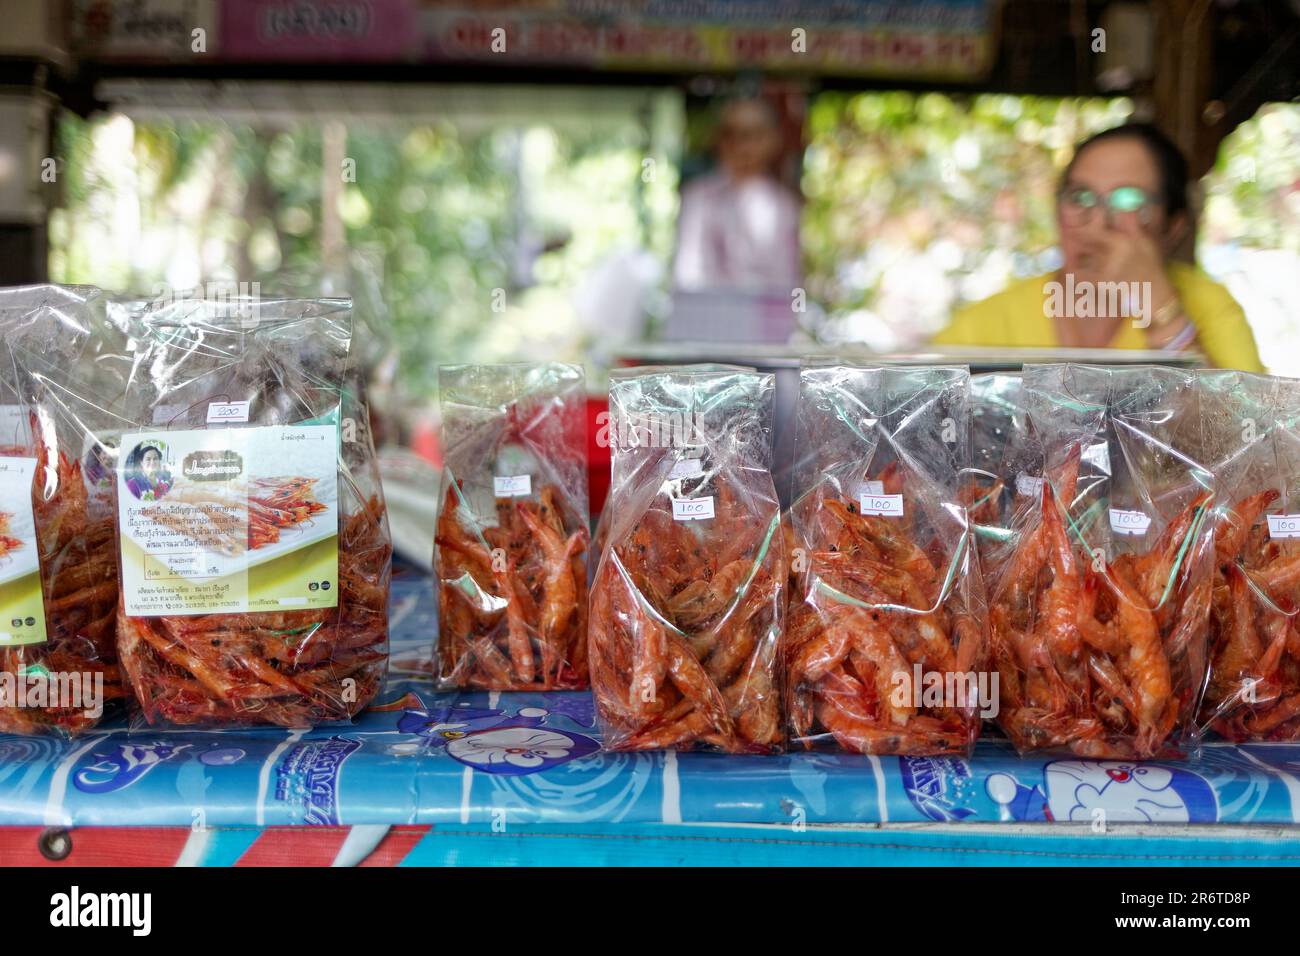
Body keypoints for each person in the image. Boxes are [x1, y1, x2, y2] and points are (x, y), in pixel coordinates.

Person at [932, 123, 1263, 370]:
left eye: (1129, 200)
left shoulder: (1210, 307)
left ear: (1172, 228)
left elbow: (1244, 451)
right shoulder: (986, 324)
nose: (1097, 224)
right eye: (1080, 198)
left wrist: (1160, 307)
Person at [673, 97, 802, 292]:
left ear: (773, 140)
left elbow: (786, 283)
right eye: (731, 134)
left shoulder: (783, 205)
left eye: (752, 134)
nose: (741, 145)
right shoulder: (697, 198)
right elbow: (688, 275)